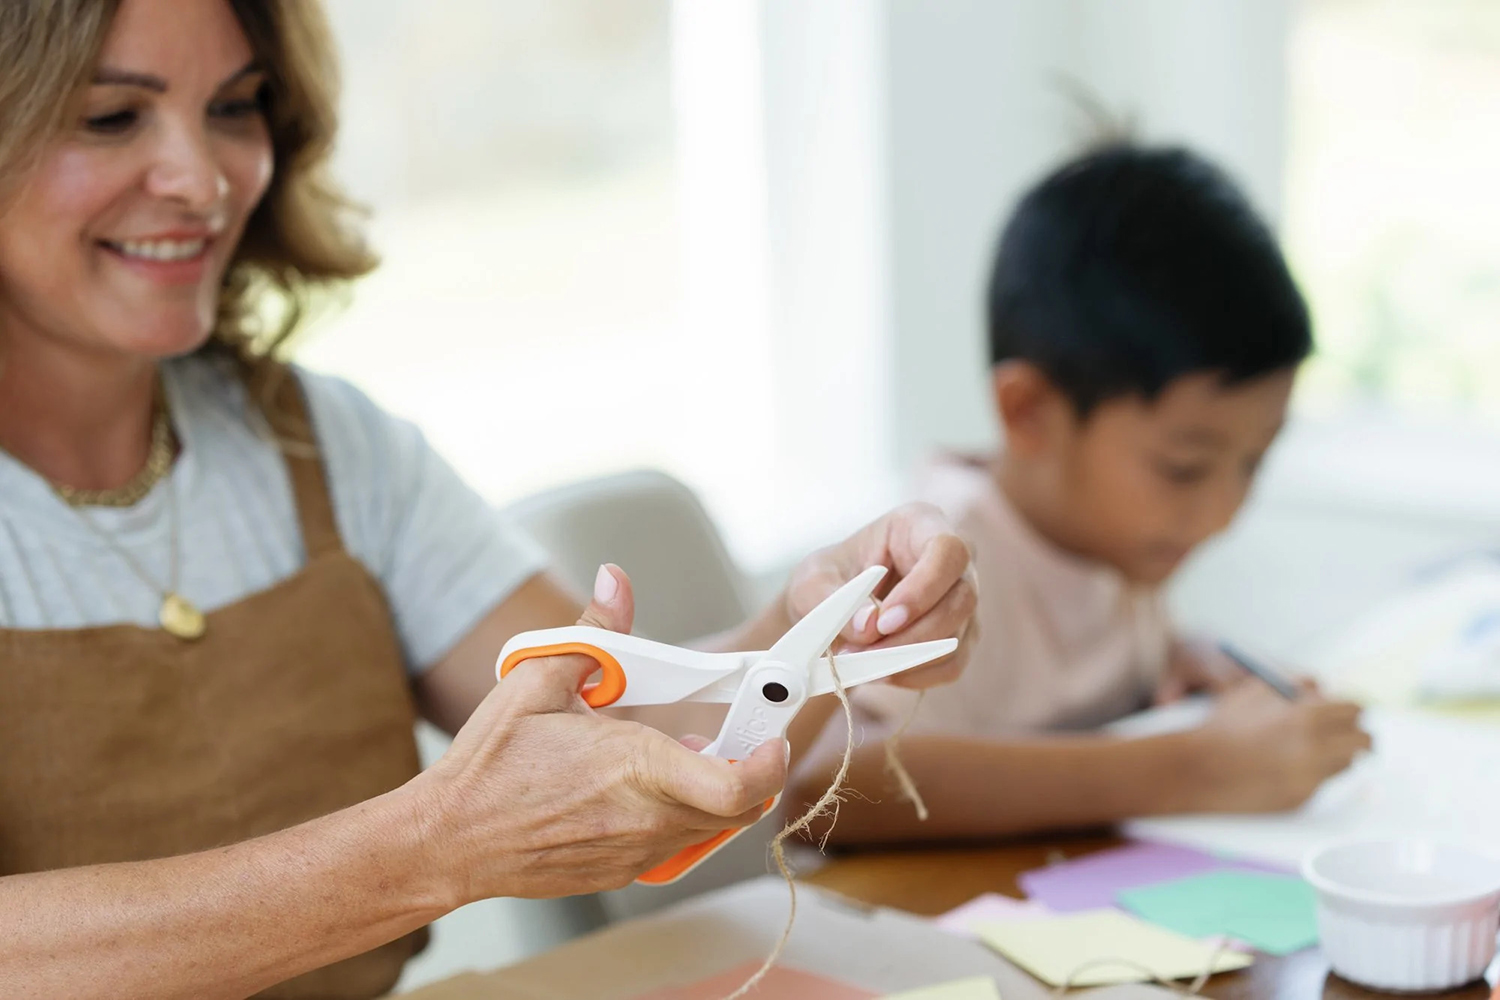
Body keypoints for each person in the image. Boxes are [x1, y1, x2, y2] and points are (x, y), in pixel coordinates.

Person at [0, 2, 977, 996]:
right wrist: (430, 848)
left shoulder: (331, 446)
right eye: (112, 117)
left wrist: (805, 630)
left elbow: (627, 755)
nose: (203, 180)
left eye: (235, 107)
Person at [792, 144, 1369, 845]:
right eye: (1184, 468)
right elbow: (822, 783)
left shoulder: (1117, 539)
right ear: (1029, 412)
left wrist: (1186, 656)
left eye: (1253, 464)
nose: (1222, 515)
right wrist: (1193, 766)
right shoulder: (940, 560)